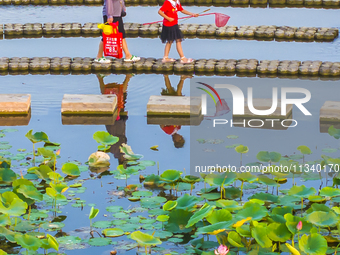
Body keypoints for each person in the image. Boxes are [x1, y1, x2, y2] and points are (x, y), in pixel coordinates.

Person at [96, 74, 131, 165]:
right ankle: (101, 79)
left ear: (122, 160)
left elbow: (121, 138)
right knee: (119, 98)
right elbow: (122, 138)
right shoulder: (115, 151)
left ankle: (127, 78)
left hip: (116, 125)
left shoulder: (118, 151)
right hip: (116, 125)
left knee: (119, 98)